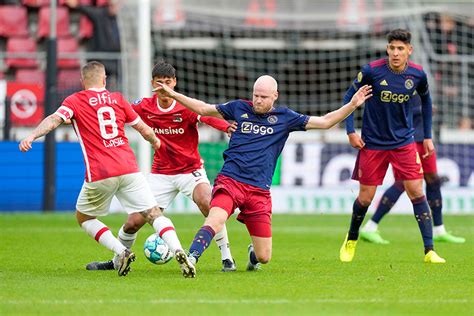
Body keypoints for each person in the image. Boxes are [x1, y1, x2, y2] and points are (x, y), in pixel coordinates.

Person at [153, 74, 372, 277]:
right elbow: (203, 108)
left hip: (259, 190)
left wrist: (352, 105)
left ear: (275, 96)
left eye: (263, 97)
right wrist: (173, 94)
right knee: (216, 218)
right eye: (255, 95)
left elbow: (325, 122)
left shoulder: (286, 118)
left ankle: (252, 255)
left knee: (264, 256)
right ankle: (191, 258)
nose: (257, 100)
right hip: (231, 180)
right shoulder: (238, 108)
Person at [18, 61, 195, 277]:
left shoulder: (75, 100)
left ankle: (121, 251)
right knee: (153, 214)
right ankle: (178, 249)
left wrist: (31, 136)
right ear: (104, 80)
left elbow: (54, 120)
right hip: (129, 168)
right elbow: (144, 129)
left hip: (100, 172)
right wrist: (156, 142)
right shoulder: (118, 99)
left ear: (83, 81)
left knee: (84, 218)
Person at [86, 61, 238, 273]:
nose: (164, 88)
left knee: (208, 203)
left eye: (168, 82)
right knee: (133, 223)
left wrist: (226, 126)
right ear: (152, 84)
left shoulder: (185, 106)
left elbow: (207, 117)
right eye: (160, 83)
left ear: (175, 83)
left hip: (190, 170)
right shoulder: (143, 106)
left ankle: (227, 258)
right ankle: (117, 259)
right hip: (161, 174)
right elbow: (118, 113)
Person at [341, 29, 446, 264]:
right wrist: (350, 131)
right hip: (373, 144)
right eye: (392, 48)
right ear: (387, 49)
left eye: (400, 48)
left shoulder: (418, 75)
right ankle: (352, 237)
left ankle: (429, 251)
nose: (395, 53)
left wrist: (427, 136)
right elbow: (349, 97)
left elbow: (427, 102)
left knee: (417, 192)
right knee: (366, 198)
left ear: (409, 50)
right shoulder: (372, 71)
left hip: (404, 143)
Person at [359, 95, 465, 244]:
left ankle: (439, 230)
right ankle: (370, 227)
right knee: (402, 182)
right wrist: (421, 110)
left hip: (424, 139)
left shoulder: (418, 80)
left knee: (433, 180)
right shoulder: (396, 83)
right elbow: (394, 111)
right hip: (406, 141)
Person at [64, 0, 121, 89]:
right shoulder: (100, 15)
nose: (114, 7)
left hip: (117, 60)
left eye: (116, 5)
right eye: (111, 5)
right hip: (101, 59)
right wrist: (77, 5)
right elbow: (87, 10)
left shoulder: (120, 20)